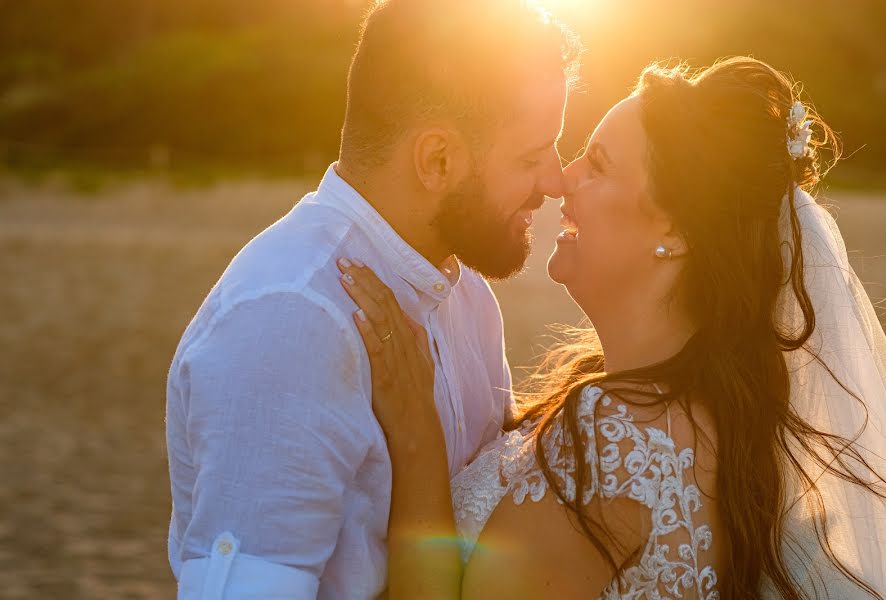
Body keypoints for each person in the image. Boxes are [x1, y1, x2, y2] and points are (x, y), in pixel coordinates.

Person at [337, 56, 886, 598]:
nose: (562, 181)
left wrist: (416, 443)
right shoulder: (714, 416)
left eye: (598, 164)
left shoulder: (618, 437)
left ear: (676, 235)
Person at [164, 1, 581, 597]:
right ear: (437, 160)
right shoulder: (292, 318)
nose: (556, 180)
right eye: (532, 156)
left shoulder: (468, 300)